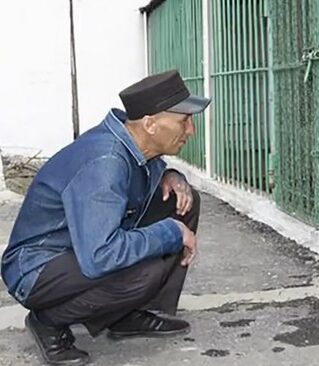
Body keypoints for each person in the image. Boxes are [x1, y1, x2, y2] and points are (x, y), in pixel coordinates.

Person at [1, 70, 210, 366]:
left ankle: (125, 315)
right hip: (37, 268)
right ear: (150, 124)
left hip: (78, 246)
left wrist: (169, 174)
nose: (190, 130)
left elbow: (141, 173)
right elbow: (101, 254)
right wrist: (171, 232)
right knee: (143, 273)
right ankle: (47, 320)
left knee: (183, 202)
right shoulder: (105, 161)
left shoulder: (130, 141)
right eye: (183, 121)